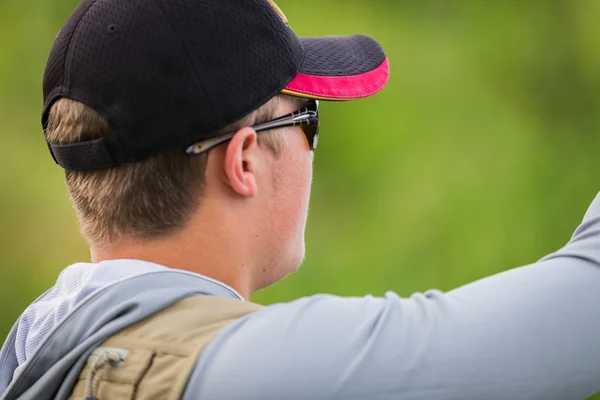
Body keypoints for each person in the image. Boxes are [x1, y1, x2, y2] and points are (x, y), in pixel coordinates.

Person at [1, 0, 599, 399]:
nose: (313, 149)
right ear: (242, 161)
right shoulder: (244, 373)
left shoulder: (40, 358)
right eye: (307, 119)